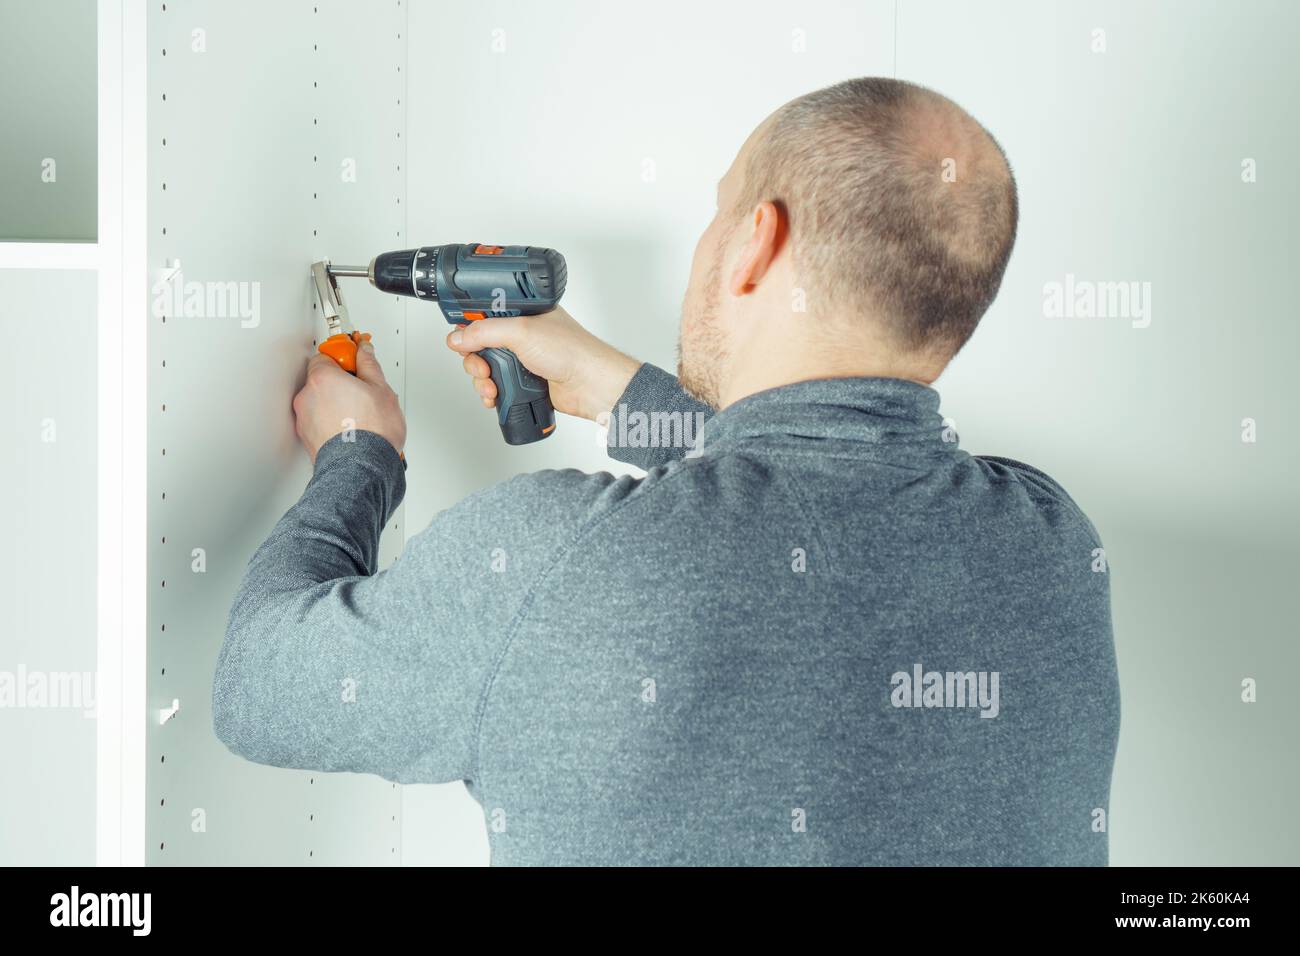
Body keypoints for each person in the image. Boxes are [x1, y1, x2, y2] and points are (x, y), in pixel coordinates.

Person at [213, 77, 1120, 866]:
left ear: (757, 243)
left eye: (716, 212)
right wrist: (625, 394)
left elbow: (257, 687)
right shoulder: (1051, 542)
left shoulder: (549, 563)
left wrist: (356, 456)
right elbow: (821, 492)